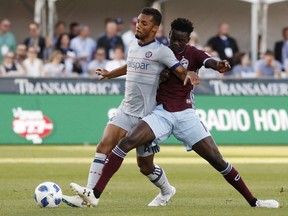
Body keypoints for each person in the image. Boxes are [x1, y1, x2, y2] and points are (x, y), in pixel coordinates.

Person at [69, 18, 280, 209]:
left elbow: (210, 62)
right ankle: (95, 194)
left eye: (181, 40)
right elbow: (133, 65)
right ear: (169, 34)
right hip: (161, 113)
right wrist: (112, 74)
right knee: (126, 143)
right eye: (174, 38)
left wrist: (220, 65)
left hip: (186, 115)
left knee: (217, 160)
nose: (177, 44)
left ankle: (254, 201)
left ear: (188, 39)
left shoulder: (194, 54)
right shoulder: (160, 51)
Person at [62, 7, 199, 208]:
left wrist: (190, 75)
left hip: (147, 116)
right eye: (138, 22)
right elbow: (131, 65)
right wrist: (110, 74)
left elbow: (180, 71)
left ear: (154, 28)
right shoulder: (133, 45)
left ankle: (167, 190)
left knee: (145, 166)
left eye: (144, 23)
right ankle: (89, 195)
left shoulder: (163, 52)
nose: (139, 26)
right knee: (104, 146)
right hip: (126, 109)